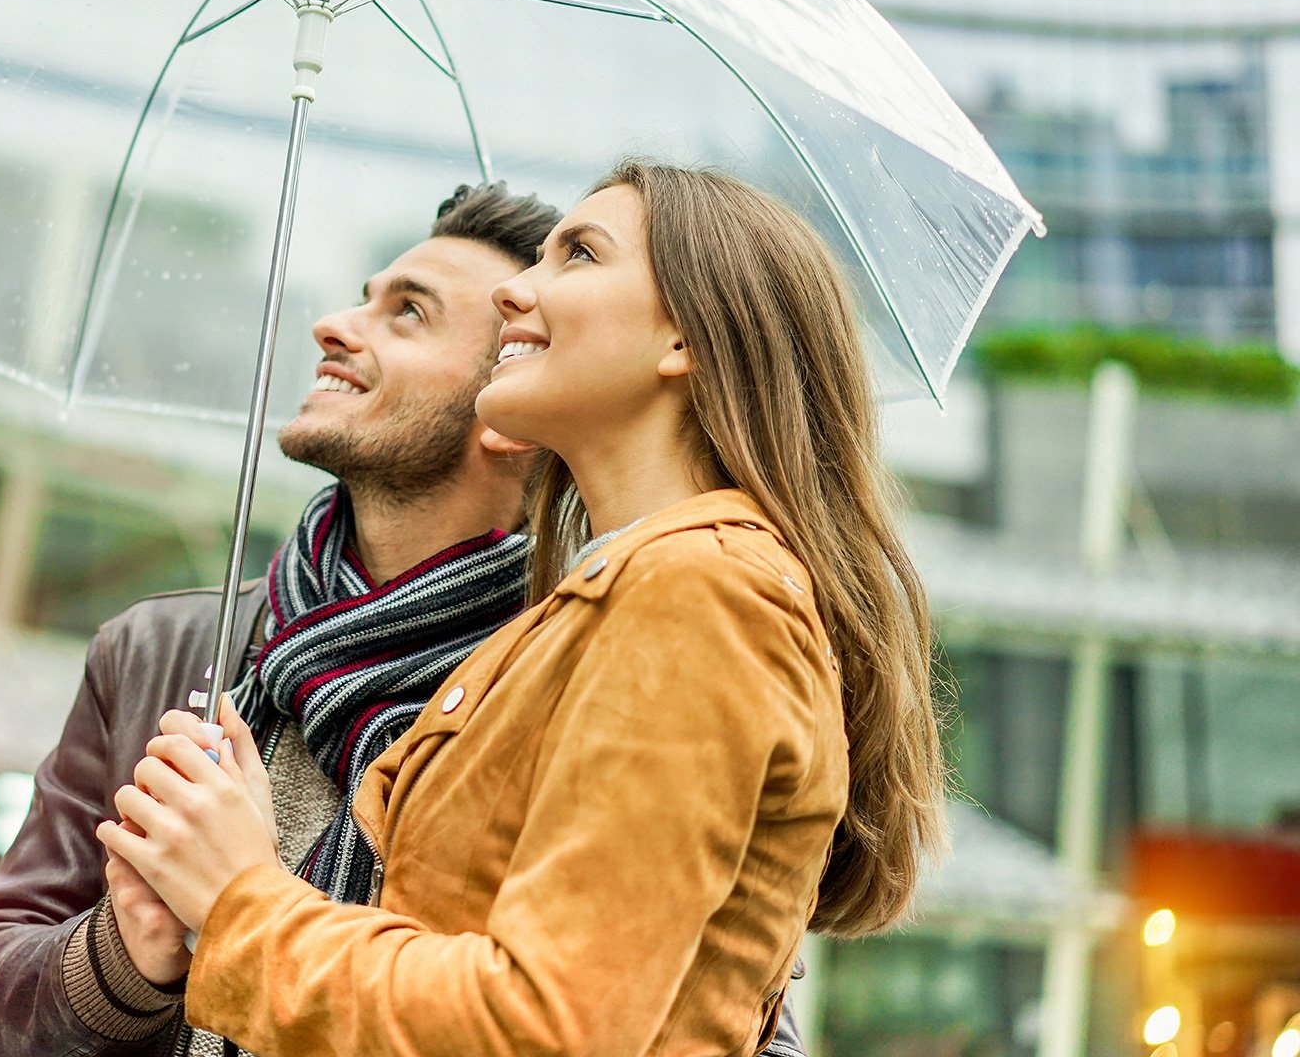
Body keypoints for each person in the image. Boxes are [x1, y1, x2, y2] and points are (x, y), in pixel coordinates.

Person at [0, 180, 807, 1057]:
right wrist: (127, 955)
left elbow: (695, 1017)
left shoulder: (597, 655)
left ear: (508, 396)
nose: (336, 325)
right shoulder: (169, 649)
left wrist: (236, 901)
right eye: (365, 296)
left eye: (408, 314)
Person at [104, 160, 947, 1057]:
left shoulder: (700, 591)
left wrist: (240, 897)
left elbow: (546, 1028)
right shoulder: (597, 602)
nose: (515, 291)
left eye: (578, 255)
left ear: (685, 342)